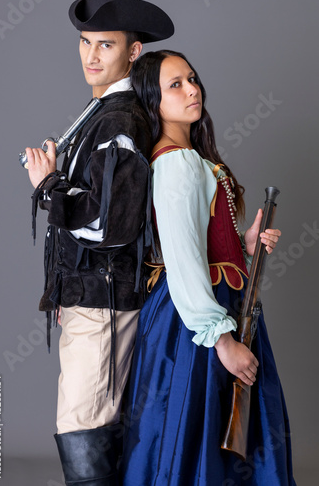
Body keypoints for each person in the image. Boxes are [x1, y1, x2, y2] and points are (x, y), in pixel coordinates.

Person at [120, 50, 297, 485]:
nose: (192, 89)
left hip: (218, 304)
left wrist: (244, 243)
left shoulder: (188, 156)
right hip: (196, 321)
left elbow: (201, 242)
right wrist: (221, 340)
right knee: (198, 434)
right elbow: (182, 257)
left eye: (192, 79)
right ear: (151, 100)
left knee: (217, 435)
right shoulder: (176, 163)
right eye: (175, 85)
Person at [24, 0, 174, 485]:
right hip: (90, 300)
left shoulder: (120, 118)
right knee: (92, 424)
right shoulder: (100, 111)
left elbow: (113, 226)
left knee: (85, 425)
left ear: (133, 51)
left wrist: (48, 187)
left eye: (105, 45)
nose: (91, 55)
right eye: (86, 42)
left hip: (104, 305)